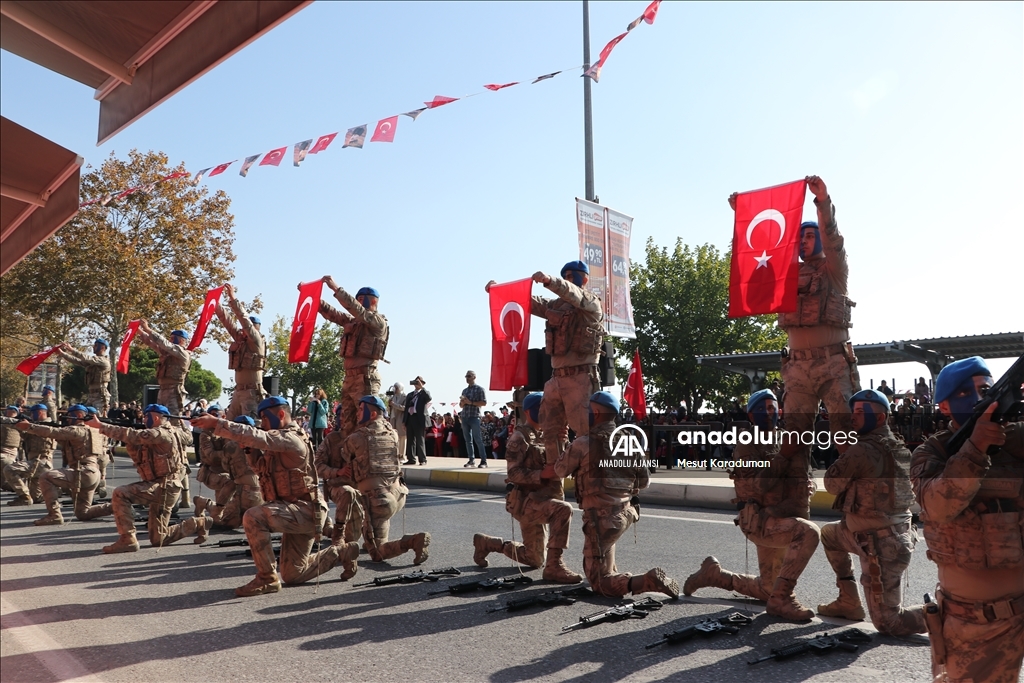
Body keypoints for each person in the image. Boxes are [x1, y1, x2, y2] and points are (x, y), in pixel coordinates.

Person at [910, 357, 1023, 683]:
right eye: (967, 392)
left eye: (986, 390)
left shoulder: (1014, 441)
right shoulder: (933, 454)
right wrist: (976, 448)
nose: (980, 398)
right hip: (978, 622)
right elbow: (938, 505)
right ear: (945, 406)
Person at [190, 396, 352, 596]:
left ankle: (267, 579)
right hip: (291, 511)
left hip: (306, 511)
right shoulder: (278, 442)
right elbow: (260, 469)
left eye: (265, 419)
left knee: (252, 517)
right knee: (293, 574)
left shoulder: (290, 438)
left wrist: (217, 423)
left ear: (281, 415)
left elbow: (260, 437)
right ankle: (342, 552)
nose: (263, 425)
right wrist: (248, 450)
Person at [683, 390, 820, 620]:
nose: (769, 412)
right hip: (762, 521)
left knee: (768, 589)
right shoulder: (748, 445)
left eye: (772, 407)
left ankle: (715, 576)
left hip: (787, 515)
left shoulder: (787, 438)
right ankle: (782, 600)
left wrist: (810, 486)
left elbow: (808, 474)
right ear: (750, 414)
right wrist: (783, 456)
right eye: (762, 408)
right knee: (809, 534)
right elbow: (755, 486)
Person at [549, 391, 678, 599]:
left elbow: (559, 470)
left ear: (597, 412)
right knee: (604, 556)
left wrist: (564, 446)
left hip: (601, 520)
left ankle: (645, 581)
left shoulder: (583, 443)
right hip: (626, 513)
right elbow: (644, 482)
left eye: (588, 410)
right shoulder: (629, 441)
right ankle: (612, 571)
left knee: (599, 583)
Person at [818, 389, 926, 635]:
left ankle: (951, 614)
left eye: (859, 413)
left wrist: (843, 451)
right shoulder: (897, 446)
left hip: (881, 546)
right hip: (884, 535)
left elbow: (832, 484)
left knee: (889, 623)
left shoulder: (862, 449)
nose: (853, 418)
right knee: (829, 535)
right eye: (853, 412)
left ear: (879, 418)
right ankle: (848, 601)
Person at [489, 261, 604, 466]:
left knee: (587, 432)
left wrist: (551, 281)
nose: (569, 279)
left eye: (573, 276)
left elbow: (573, 293)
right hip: (556, 379)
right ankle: (553, 481)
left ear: (585, 279)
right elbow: (528, 302)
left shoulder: (591, 303)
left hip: (580, 377)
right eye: (565, 275)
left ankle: (595, 482)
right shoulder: (555, 307)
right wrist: (500, 291)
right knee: (550, 433)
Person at [473, 393, 581, 583]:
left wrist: (563, 443)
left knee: (535, 559)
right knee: (563, 511)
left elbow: (560, 464)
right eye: (542, 408)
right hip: (528, 501)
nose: (547, 412)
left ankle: (489, 544)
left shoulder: (549, 434)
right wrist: (542, 475)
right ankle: (555, 567)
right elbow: (513, 474)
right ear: (530, 411)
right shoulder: (519, 437)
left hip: (548, 497)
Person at [323, 396, 430, 579]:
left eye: (360, 410)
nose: (357, 414)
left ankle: (413, 541)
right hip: (398, 494)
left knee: (378, 553)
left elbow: (345, 455)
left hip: (378, 501)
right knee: (378, 533)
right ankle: (384, 539)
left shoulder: (357, 437)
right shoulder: (393, 433)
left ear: (372, 413)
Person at [87, 404, 203, 552]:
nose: (144, 419)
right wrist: (183, 423)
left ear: (155, 417)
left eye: (146, 416)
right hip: (166, 487)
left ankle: (127, 539)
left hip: (163, 487)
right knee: (158, 539)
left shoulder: (160, 433)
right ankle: (198, 523)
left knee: (120, 493)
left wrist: (100, 425)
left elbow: (133, 436)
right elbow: (188, 436)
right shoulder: (176, 432)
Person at [13, 404, 112, 525]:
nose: (68, 419)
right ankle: (116, 507)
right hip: (93, 473)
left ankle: (54, 515)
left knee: (46, 477)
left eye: (71, 416)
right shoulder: (94, 431)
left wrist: (29, 427)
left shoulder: (77, 430)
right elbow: (66, 440)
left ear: (80, 415)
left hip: (82, 472)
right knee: (82, 513)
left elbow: (54, 432)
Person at [317, 276, 388, 439]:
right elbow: (334, 315)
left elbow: (358, 311)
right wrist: (315, 300)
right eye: (358, 299)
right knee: (347, 425)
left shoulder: (377, 322)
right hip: (349, 379)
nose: (360, 302)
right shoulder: (354, 322)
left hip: (365, 378)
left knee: (369, 425)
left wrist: (336, 289)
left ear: (374, 302)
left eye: (363, 299)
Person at [195, 415, 264, 529]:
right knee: (234, 523)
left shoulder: (231, 445)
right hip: (255, 492)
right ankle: (211, 506)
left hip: (250, 492)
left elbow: (226, 466)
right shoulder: (261, 443)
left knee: (232, 522)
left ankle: (210, 505)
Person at [215, 283, 267, 419]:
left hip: (251, 392)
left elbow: (244, 320)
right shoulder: (241, 341)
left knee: (250, 425)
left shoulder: (256, 342)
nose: (241, 331)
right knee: (229, 425)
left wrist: (233, 299)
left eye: (245, 329)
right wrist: (215, 304)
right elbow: (227, 322)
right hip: (238, 391)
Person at [193, 404, 240, 525]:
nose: (214, 417)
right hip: (210, 471)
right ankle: (215, 512)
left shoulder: (227, 431)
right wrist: (227, 453)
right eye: (212, 415)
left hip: (225, 469)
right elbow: (211, 455)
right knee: (228, 482)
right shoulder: (205, 435)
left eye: (216, 415)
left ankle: (203, 503)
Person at [4, 403, 55, 505]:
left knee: (9, 469)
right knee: (36, 498)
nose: (31, 416)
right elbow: (24, 433)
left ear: (40, 413)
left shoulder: (47, 426)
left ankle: (24, 497)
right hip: (37, 464)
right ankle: (54, 490)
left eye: (32, 414)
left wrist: (27, 425)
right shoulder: (34, 426)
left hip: (40, 463)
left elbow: (37, 431)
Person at [136, 321, 192, 415]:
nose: (170, 340)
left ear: (182, 340)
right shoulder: (167, 354)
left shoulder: (182, 353)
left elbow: (164, 343)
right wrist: (139, 331)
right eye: (170, 338)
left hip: (174, 391)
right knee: (160, 417)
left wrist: (147, 329)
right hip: (162, 389)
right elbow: (151, 343)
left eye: (174, 338)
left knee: (173, 418)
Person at [58, 338, 111, 416]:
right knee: (82, 415)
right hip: (91, 396)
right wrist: (62, 353)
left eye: (96, 345)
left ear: (103, 347)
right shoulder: (93, 362)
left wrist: (72, 350)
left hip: (100, 397)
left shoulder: (103, 361)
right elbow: (76, 361)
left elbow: (86, 358)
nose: (93, 347)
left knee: (98, 418)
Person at [460, 371, 488, 468]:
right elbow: (460, 405)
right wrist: (463, 403)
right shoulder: (465, 391)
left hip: (474, 416)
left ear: (474, 377)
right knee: (468, 440)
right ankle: (471, 460)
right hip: (465, 416)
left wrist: (470, 402)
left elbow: (484, 403)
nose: (467, 378)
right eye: (466, 376)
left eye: (469, 376)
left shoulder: (480, 389)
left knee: (478, 439)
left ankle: (483, 461)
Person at [403, 376, 431, 465]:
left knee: (420, 439)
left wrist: (421, 387)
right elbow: (406, 408)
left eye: (418, 382)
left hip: (419, 418)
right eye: (415, 382)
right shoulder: (410, 394)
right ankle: (411, 458)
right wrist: (405, 421)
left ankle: (422, 459)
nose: (416, 384)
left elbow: (429, 398)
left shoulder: (423, 393)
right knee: (410, 439)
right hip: (410, 417)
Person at [387, 382, 407, 463]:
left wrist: (394, 404)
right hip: (393, 419)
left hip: (400, 419)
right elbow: (390, 408)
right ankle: (394, 456)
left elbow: (404, 408)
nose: (394, 389)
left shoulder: (405, 397)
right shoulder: (393, 397)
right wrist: (389, 405)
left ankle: (402, 456)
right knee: (394, 437)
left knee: (402, 438)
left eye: (396, 388)